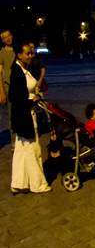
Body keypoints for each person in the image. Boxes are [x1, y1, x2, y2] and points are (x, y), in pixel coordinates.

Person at [9, 41, 51, 194]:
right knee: (33, 150)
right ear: (19, 55)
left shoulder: (24, 69)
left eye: (31, 52)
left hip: (26, 114)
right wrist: (31, 100)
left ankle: (18, 183)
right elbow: (14, 96)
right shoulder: (17, 72)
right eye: (27, 53)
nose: (31, 55)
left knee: (21, 151)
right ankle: (37, 184)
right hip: (24, 116)